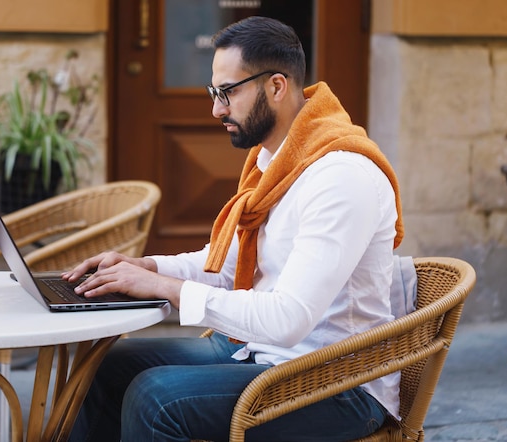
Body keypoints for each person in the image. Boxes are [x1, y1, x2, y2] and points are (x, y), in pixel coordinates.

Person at [65, 15, 405, 442]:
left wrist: (166, 289)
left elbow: (288, 319)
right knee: (108, 366)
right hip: (262, 352)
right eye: (215, 92)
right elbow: (227, 267)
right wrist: (145, 267)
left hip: (338, 382)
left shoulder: (340, 176)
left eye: (228, 93)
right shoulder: (277, 163)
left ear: (276, 87)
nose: (216, 109)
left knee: (156, 398)